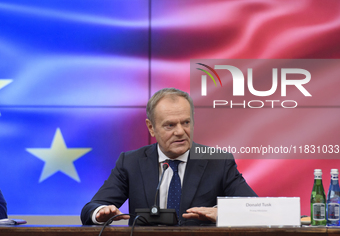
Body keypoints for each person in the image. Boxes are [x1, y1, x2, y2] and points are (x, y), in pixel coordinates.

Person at [81, 88, 257, 225]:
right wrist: (102, 212)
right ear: (151, 128)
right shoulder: (131, 162)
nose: (180, 132)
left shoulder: (219, 161)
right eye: (170, 125)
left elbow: (255, 209)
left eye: (186, 122)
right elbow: (91, 208)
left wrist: (224, 213)